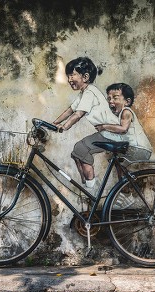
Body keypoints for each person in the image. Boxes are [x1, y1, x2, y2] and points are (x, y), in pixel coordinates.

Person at [52, 57, 122, 193]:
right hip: (106, 133)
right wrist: (54, 123)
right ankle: (87, 185)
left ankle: (91, 189)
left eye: (72, 75)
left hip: (112, 133)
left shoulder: (90, 92)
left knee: (81, 148)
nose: (69, 79)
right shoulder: (84, 92)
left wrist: (64, 127)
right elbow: (70, 110)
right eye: (68, 76)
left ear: (85, 76)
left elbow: (78, 114)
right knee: (77, 152)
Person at [95, 83, 152, 179]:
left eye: (115, 98)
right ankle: (124, 186)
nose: (111, 101)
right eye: (109, 98)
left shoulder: (126, 112)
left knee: (114, 157)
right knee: (115, 160)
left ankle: (124, 184)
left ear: (127, 101)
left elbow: (123, 129)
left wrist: (104, 127)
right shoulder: (120, 114)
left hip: (138, 148)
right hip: (136, 148)